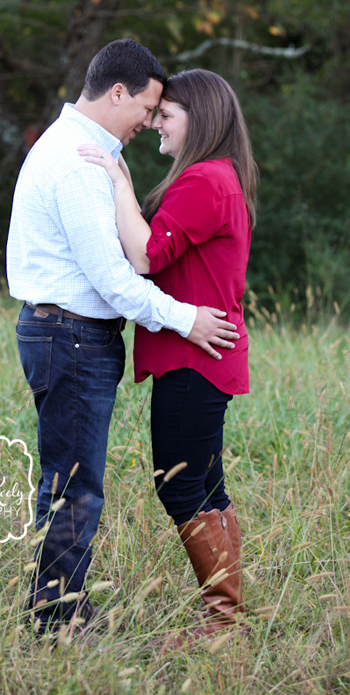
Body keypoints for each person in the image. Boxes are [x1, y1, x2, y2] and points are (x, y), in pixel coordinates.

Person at [6, 40, 240, 636]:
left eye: (163, 112)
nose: (148, 121)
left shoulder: (81, 152)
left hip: (71, 335)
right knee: (73, 485)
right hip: (71, 335)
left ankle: (65, 609)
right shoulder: (80, 159)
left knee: (75, 479)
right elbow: (116, 277)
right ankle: (59, 621)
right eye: (148, 107)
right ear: (118, 93)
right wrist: (186, 318)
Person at [78, 68, 257, 642]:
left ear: (198, 120)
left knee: (179, 484)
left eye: (167, 115)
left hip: (194, 358)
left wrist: (119, 182)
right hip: (202, 356)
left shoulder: (205, 180)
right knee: (205, 486)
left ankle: (221, 620)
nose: (156, 122)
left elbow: (146, 257)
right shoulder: (217, 177)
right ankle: (226, 617)